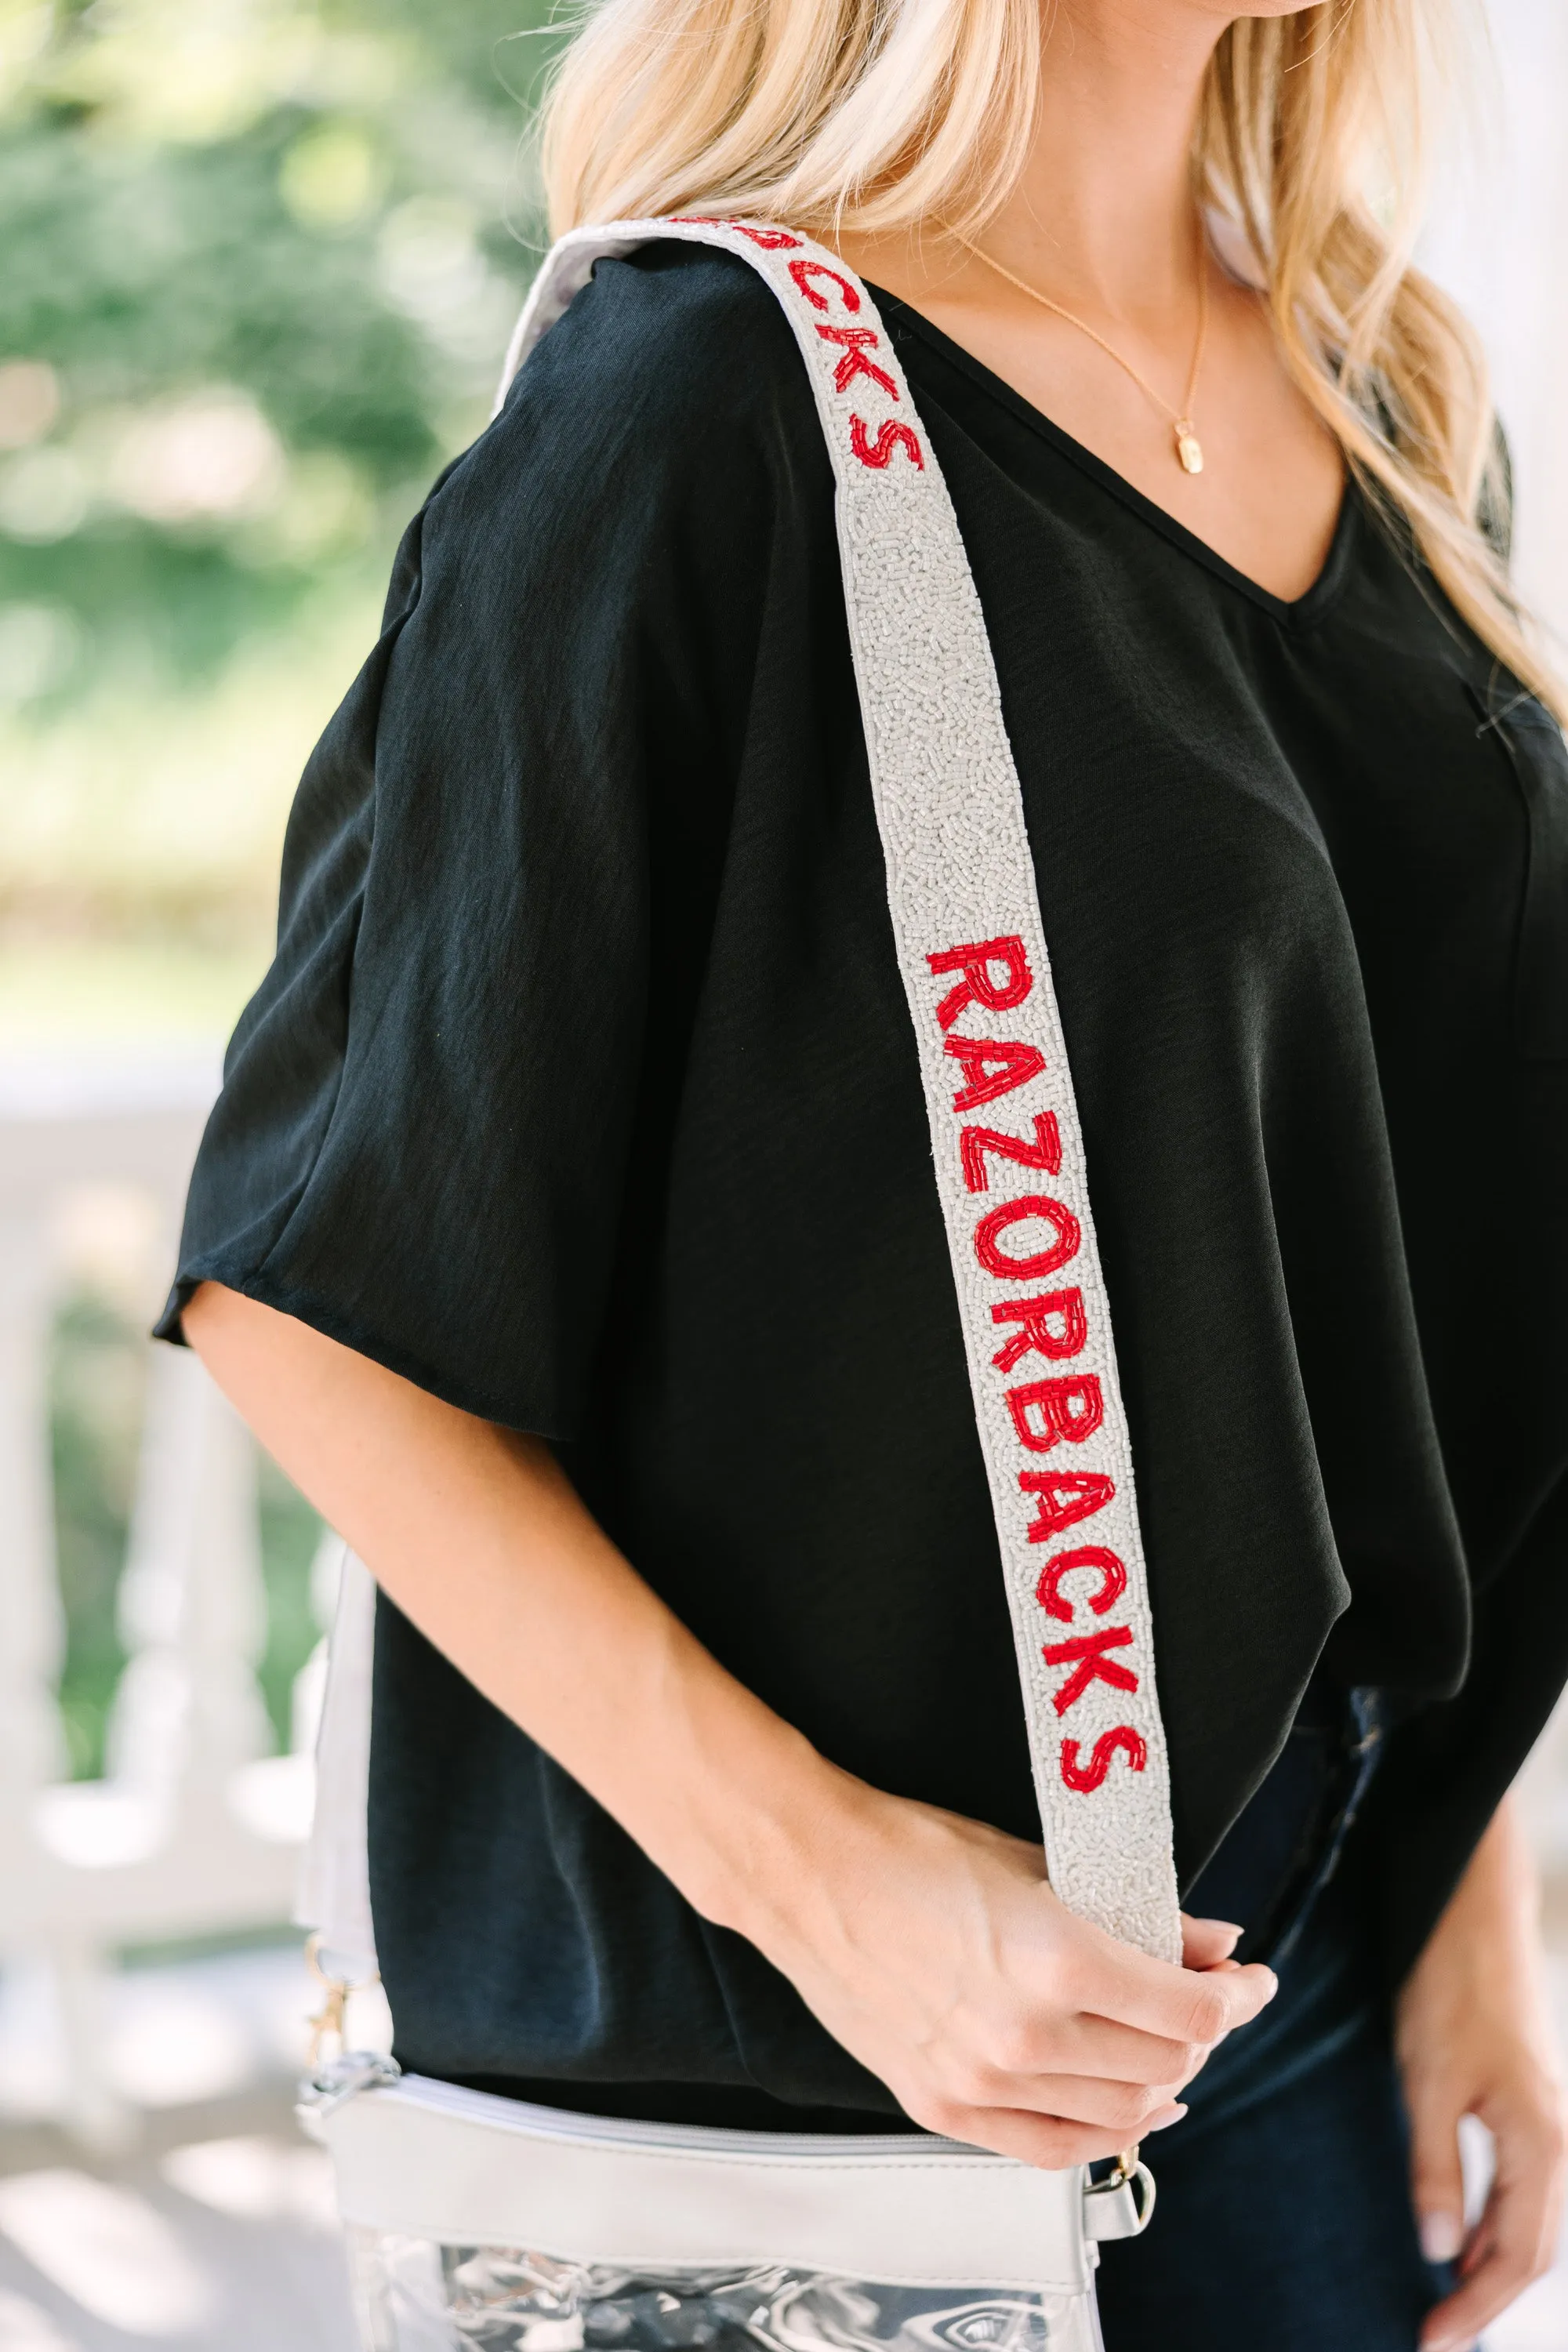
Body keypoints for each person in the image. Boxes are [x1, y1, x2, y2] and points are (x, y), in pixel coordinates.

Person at [158, 0, 1568, 2344]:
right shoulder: (699, 407)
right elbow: (308, 1295)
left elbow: (1383, 1287)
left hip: (1289, 1983)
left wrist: (1458, 1902)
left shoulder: (1394, 399)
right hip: (825, 2076)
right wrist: (843, 1900)